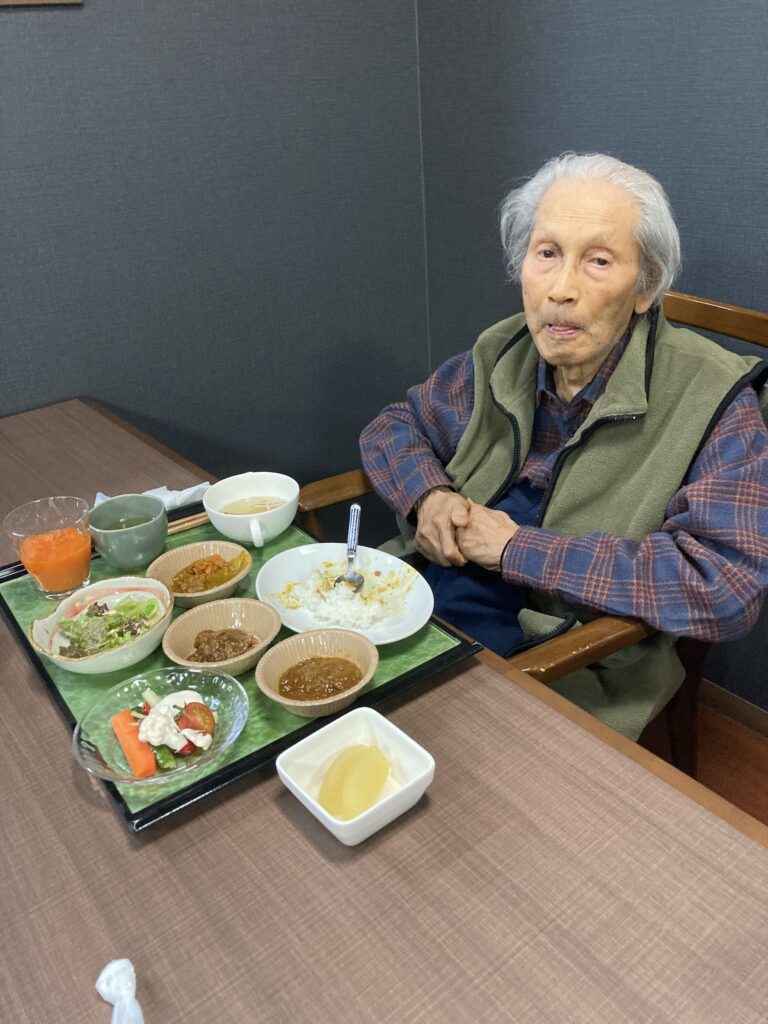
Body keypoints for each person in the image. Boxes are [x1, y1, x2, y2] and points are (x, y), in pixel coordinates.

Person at [360, 153, 768, 739]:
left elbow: (725, 585)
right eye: (547, 253)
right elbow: (395, 427)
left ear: (645, 286)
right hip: (422, 597)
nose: (560, 289)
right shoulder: (505, 351)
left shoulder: (715, 398)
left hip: (560, 652)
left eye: (598, 261)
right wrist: (429, 496)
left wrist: (516, 548)